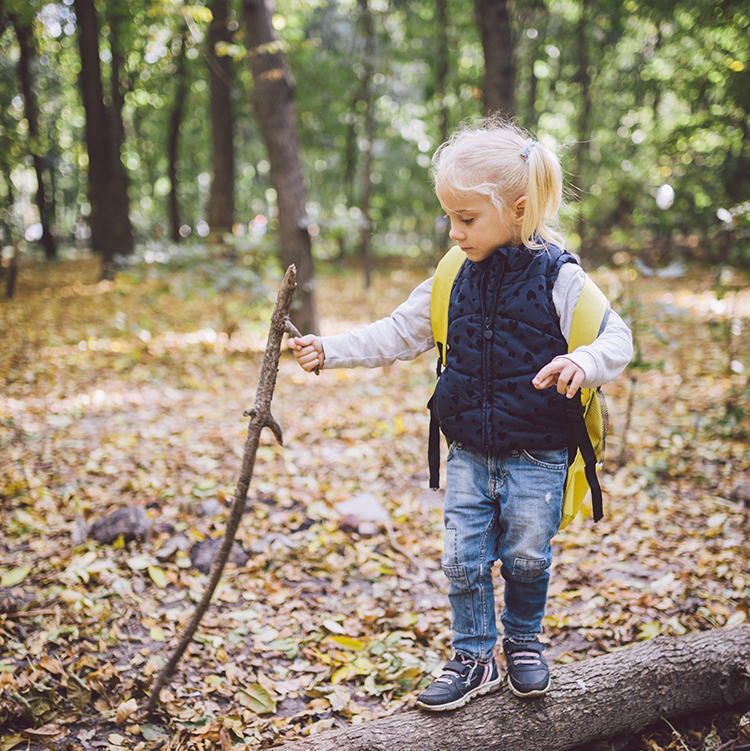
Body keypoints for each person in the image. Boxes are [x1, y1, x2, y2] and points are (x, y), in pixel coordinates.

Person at [290, 118, 633, 711]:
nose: (454, 232)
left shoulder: (561, 276)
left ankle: (524, 643)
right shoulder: (452, 277)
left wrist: (585, 361)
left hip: (540, 453)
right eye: (449, 217)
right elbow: (399, 332)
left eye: (467, 219)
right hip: (470, 449)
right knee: (462, 558)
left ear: (519, 209)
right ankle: (473, 657)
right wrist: (331, 350)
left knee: (527, 554)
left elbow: (617, 336)